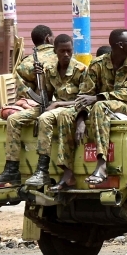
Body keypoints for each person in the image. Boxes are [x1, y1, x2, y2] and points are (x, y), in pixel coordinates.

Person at [51, 29, 127, 191]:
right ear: (120, 45)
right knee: (65, 114)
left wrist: (97, 98)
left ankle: (101, 165)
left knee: (100, 105)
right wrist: (80, 119)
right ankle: (67, 172)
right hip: (102, 106)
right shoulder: (97, 64)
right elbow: (85, 95)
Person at [0, 24, 58, 185]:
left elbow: (23, 96)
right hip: (51, 106)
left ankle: (15, 168)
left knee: (13, 120)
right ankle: (13, 171)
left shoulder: (25, 64)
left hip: (46, 107)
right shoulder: (61, 56)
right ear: (48, 38)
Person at [24, 34, 88, 187]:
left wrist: (58, 104)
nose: (66, 54)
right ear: (55, 51)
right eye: (62, 51)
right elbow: (44, 96)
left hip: (74, 108)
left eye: (69, 51)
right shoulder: (50, 70)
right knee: (43, 116)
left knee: (45, 118)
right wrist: (39, 77)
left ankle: (44, 170)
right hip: (56, 108)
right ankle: (41, 170)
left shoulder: (81, 70)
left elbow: (85, 99)